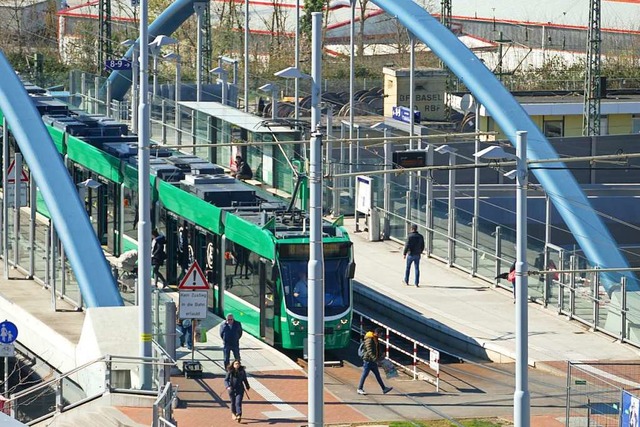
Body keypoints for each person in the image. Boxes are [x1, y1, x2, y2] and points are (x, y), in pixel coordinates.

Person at [357, 328, 393, 396]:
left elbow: (376, 349)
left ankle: (384, 388)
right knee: (365, 374)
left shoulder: (375, 338)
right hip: (368, 360)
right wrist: (375, 359)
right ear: (377, 333)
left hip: (372, 360)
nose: (381, 335)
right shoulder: (369, 339)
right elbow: (369, 351)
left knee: (377, 375)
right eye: (381, 334)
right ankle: (359, 388)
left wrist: (380, 356)